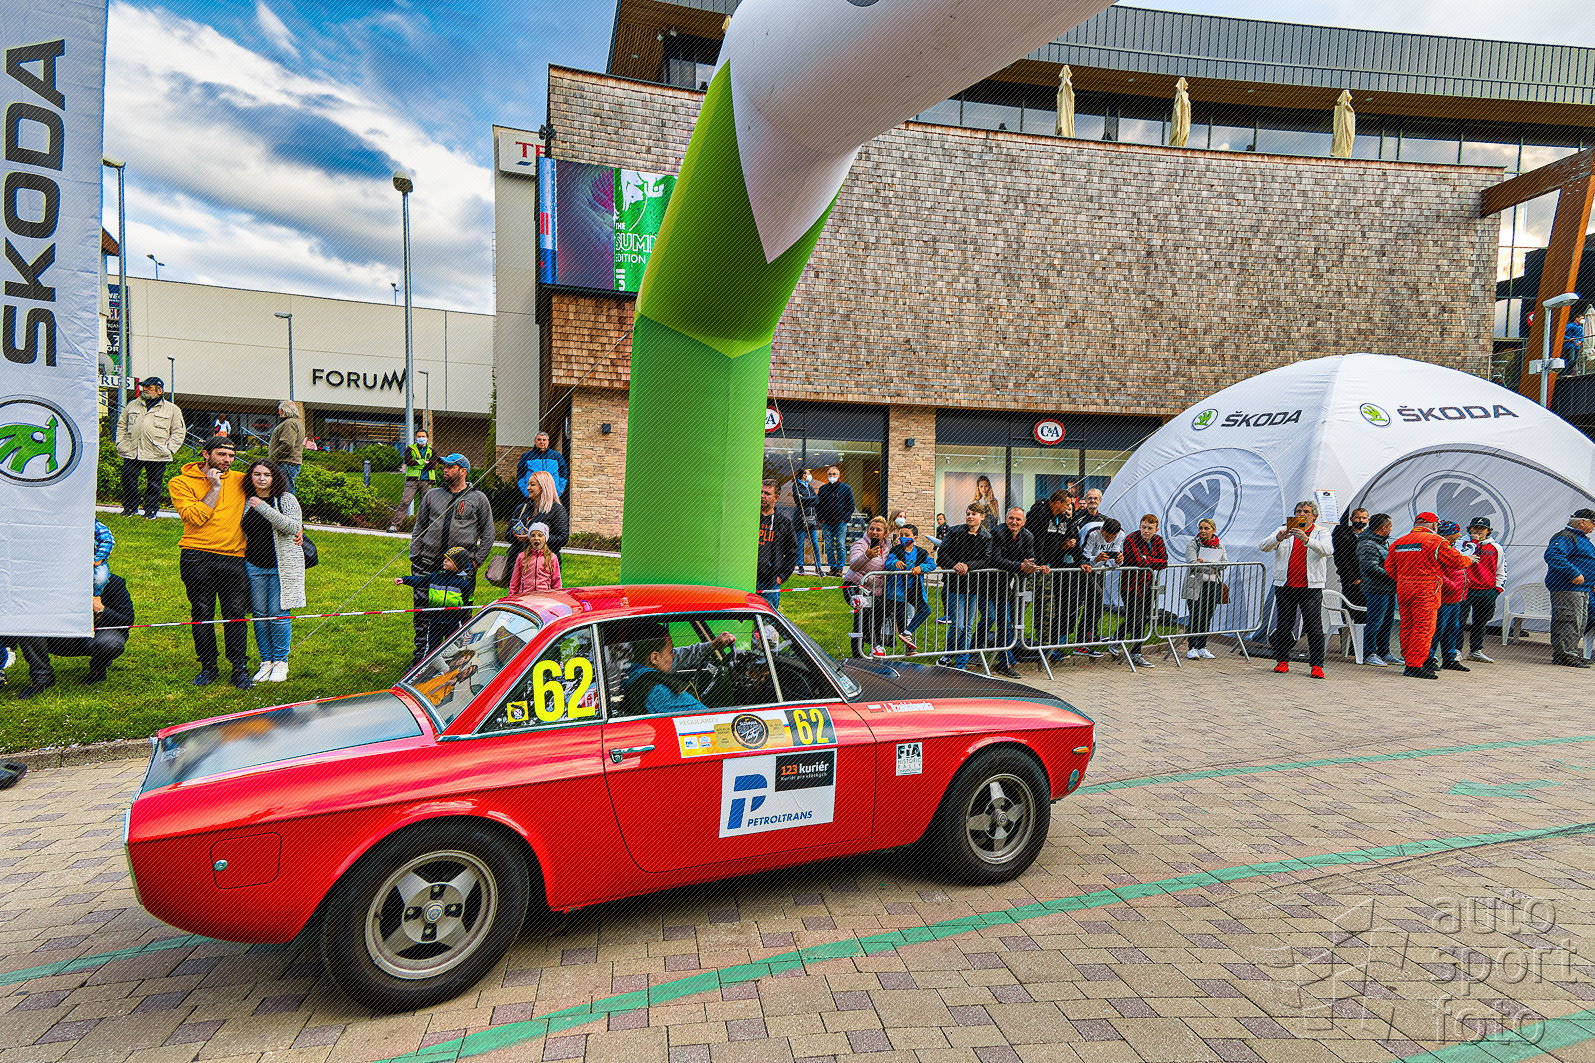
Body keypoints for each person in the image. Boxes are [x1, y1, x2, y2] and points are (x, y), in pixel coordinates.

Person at [169, 435, 254, 689]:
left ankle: (239, 668)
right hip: (196, 555)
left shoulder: (241, 479)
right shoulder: (180, 482)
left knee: (235, 613)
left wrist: (296, 525)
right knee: (202, 612)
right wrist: (214, 487)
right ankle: (208, 666)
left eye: (231, 455)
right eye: (222, 454)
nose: (228, 460)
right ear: (206, 454)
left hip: (234, 556)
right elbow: (195, 517)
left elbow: (273, 487)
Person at [407, 454, 495, 666]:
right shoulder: (432, 495)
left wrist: (476, 561)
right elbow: (419, 527)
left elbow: (489, 533)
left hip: (460, 570)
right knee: (423, 614)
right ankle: (422, 659)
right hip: (428, 564)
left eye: (450, 467)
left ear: (463, 471)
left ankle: (456, 660)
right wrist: (415, 556)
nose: (444, 470)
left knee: (459, 616)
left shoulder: (478, 498)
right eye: (444, 466)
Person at [11, 573, 135, 697]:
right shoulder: (52, 582)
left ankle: (98, 667)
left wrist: (100, 608)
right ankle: (42, 677)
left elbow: (127, 620)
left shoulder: (114, 582)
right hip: (62, 637)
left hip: (96, 637)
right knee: (26, 624)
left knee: (110, 643)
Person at [1385, 511, 1474, 679]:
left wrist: (1404, 579)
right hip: (1426, 590)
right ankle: (1415, 665)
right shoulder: (1436, 541)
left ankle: (1409, 660)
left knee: (1407, 625)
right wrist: (1469, 559)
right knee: (1424, 627)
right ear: (1434, 525)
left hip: (1404, 589)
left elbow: (1389, 567)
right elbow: (1457, 561)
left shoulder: (1399, 541)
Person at [241, 459, 305, 683]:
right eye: (257, 474)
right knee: (260, 615)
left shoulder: (285, 499)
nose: (261, 479)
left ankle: (280, 662)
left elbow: (292, 527)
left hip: (281, 567)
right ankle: (265, 662)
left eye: (267, 475)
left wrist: (263, 507)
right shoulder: (245, 500)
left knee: (278, 615)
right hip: (254, 565)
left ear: (274, 477)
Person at [1260, 500, 1333, 679]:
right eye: (1299, 511)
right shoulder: (1283, 529)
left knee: (1314, 626)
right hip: (1285, 585)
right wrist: (1278, 538)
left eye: (1306, 511)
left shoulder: (1321, 531)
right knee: (1284, 625)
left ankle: (1317, 665)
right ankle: (1282, 660)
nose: (1302, 514)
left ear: (1314, 516)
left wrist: (1307, 539)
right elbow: (1263, 546)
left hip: (1311, 586)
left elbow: (1328, 550)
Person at [619, 622, 737, 715]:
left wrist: (712, 645)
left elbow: (681, 656)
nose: (674, 656)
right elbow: (709, 718)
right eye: (671, 652)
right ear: (654, 658)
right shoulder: (659, 691)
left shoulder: (630, 672)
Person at [115, 376, 184, 519]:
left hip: (157, 453)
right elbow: (122, 424)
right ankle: (130, 508)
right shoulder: (132, 405)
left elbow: (179, 431)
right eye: (144, 387)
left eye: (149, 387)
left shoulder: (172, 409)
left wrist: (170, 449)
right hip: (132, 451)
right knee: (127, 478)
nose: (145, 390)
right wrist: (120, 443)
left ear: (159, 391)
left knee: (154, 483)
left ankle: (150, 511)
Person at [989, 506, 1044, 677]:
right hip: (986, 582)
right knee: (994, 619)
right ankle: (999, 658)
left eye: (1018, 519)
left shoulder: (1027, 536)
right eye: (1011, 518)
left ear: (1024, 522)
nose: (1014, 522)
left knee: (1002, 621)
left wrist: (1033, 566)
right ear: (1006, 519)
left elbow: (1030, 558)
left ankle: (1003, 660)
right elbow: (996, 560)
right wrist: (1020, 565)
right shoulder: (997, 533)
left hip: (1005, 584)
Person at [937, 504, 992, 670]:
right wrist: (955, 565)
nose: (970, 516)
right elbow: (942, 554)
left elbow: (986, 560)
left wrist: (968, 565)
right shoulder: (954, 532)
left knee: (968, 627)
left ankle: (962, 662)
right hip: (955, 585)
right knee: (958, 625)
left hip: (974, 586)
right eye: (968, 513)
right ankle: (947, 655)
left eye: (974, 514)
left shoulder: (986, 537)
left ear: (982, 517)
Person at [397, 546, 479, 658]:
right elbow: (421, 580)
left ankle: (450, 665)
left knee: (453, 647)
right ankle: (428, 665)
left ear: (457, 564)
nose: (444, 561)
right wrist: (405, 580)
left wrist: (463, 618)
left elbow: (467, 603)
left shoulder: (464, 583)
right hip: (435, 620)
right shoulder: (436, 576)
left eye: (449, 560)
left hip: (453, 622)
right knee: (432, 648)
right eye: (445, 558)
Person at [1545, 508, 1595, 669]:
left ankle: (1570, 653)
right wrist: (1573, 573)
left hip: (1582, 588)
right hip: (1567, 587)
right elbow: (1553, 555)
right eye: (1593, 523)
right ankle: (1564, 655)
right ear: (1582, 522)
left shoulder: (1582, 539)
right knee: (1568, 620)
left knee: (1578, 622)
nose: (1594, 527)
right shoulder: (1566, 536)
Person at [1026, 491, 1074, 656]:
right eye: (1067, 504)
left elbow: (1067, 535)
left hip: (1046, 569)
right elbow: (1036, 540)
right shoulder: (1039, 513)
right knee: (1021, 605)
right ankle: (1009, 643)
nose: (1068, 508)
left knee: (1047, 608)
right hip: (1030, 569)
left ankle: (1045, 646)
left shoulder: (1063, 519)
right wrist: (1039, 563)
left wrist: (1070, 543)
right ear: (1057, 503)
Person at [1120, 514, 1168, 668]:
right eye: (1143, 527)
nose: (1146, 531)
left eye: (1150, 528)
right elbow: (1139, 561)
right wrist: (1148, 560)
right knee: (1136, 618)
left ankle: (1118, 639)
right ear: (1140, 526)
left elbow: (1164, 561)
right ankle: (1135, 652)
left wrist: (1148, 559)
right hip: (1131, 584)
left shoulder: (1158, 540)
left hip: (1149, 584)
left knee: (1145, 617)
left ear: (1156, 529)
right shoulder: (1131, 539)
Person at [1073, 516, 1123, 658]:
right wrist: (1096, 559)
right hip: (1084, 569)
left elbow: (1114, 557)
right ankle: (1081, 640)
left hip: (1100, 570)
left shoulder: (1121, 534)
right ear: (1102, 531)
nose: (1108, 540)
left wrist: (1118, 561)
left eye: (1112, 538)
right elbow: (1082, 557)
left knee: (1095, 603)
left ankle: (1088, 635)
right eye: (1106, 537)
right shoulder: (1092, 533)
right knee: (1097, 596)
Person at [505, 470, 570, 577]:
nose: (528, 488)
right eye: (528, 484)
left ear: (543, 487)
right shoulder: (521, 508)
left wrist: (533, 538)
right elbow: (507, 535)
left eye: (532, 485)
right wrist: (515, 534)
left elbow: (562, 538)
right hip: (517, 565)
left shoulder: (557, 510)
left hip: (544, 567)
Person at [884, 524, 936, 652]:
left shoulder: (921, 552)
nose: (903, 537)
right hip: (898, 592)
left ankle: (908, 632)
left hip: (914, 589)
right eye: (901, 535)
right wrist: (895, 563)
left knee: (925, 610)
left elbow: (932, 564)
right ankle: (910, 649)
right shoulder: (896, 550)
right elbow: (888, 563)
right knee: (901, 620)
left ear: (915, 538)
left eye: (907, 535)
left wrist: (921, 568)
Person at [1460, 517, 1506, 663]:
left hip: (1487, 590)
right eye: (1475, 528)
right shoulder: (1461, 544)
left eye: (1482, 528)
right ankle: (1456, 650)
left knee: (1480, 622)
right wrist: (1473, 542)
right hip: (1465, 589)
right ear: (1469, 529)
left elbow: (1501, 569)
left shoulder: (1496, 548)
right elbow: (1460, 560)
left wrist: (1496, 589)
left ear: (1488, 531)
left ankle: (1476, 651)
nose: (1478, 531)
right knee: (1458, 621)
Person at [844, 515, 891, 656]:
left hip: (875, 591)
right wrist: (867, 556)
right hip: (855, 586)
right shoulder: (860, 545)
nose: (874, 532)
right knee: (863, 616)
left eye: (878, 530)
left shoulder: (888, 547)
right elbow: (853, 565)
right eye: (871, 529)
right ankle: (859, 654)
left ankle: (873, 647)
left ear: (885, 533)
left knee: (877, 615)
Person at [1183, 518, 1227, 659]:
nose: (1203, 531)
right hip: (1195, 584)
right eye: (1201, 528)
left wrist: (1205, 561)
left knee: (1207, 615)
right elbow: (1193, 563)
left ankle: (1202, 646)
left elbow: (1224, 564)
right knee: (1195, 615)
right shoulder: (1193, 544)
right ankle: (1192, 647)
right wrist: (1212, 566)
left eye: (1206, 528)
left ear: (1213, 530)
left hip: (1213, 584)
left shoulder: (1219, 545)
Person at [1431, 521, 1471, 673]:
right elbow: (1437, 572)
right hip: (1444, 597)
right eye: (1456, 532)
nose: (1460, 534)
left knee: (1452, 628)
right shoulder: (1440, 548)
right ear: (1449, 534)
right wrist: (1451, 586)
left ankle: (1449, 659)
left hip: (1455, 597)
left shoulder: (1450, 547)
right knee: (1437, 629)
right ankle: (1430, 658)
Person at [1357, 513, 1397, 666]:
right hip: (1376, 590)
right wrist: (1395, 575)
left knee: (1387, 623)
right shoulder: (1368, 544)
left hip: (1388, 589)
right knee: (1375, 623)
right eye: (1390, 527)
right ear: (1383, 528)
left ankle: (1384, 652)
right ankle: (1369, 653)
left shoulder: (1382, 542)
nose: (1391, 530)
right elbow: (1371, 568)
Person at [756, 479, 799, 610]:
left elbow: (792, 552)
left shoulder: (784, 522)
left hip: (770, 580)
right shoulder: (751, 519)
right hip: (748, 578)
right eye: (761, 492)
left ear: (777, 497)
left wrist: (782, 576)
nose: (763, 496)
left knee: (767, 618)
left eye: (767, 494)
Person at [388, 428, 438, 533]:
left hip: (426, 481)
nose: (421, 438)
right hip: (412, 481)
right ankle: (394, 525)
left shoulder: (432, 451)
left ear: (427, 438)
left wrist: (417, 463)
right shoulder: (410, 449)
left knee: (425, 505)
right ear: (416, 438)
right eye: (419, 436)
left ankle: (423, 528)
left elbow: (432, 465)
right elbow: (408, 462)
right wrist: (423, 462)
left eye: (423, 436)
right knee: (405, 502)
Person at [816, 466, 855, 577]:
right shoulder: (823, 489)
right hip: (826, 523)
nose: (832, 476)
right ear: (827, 476)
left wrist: (844, 519)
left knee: (840, 545)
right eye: (830, 474)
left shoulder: (846, 488)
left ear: (838, 475)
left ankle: (840, 568)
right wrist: (821, 519)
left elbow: (851, 505)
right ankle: (832, 567)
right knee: (828, 546)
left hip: (840, 523)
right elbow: (818, 505)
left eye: (834, 474)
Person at [516, 431, 569, 503]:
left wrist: (560, 489)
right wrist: (524, 490)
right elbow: (520, 474)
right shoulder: (526, 456)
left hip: (552, 494)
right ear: (535, 441)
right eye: (539, 439)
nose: (542, 442)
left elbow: (563, 472)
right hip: (533, 494)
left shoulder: (556, 456)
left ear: (548, 442)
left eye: (544, 440)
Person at [509, 522, 562, 594]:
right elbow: (514, 582)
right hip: (525, 596)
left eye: (540, 535)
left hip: (544, 597)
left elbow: (557, 582)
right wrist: (511, 596)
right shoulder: (522, 557)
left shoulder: (552, 557)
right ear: (529, 538)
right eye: (533, 535)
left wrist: (557, 597)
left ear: (545, 538)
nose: (536, 538)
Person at [1332, 508, 1369, 607]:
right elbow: (1341, 558)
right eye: (1358, 517)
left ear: (1368, 520)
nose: (1361, 520)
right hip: (1352, 580)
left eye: (1364, 518)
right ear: (1351, 519)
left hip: (1368, 580)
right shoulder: (1344, 535)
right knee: (1351, 606)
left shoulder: (1369, 535)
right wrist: (1353, 579)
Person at [266, 401, 305, 492]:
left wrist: (273, 457)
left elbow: (288, 444)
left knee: (285, 492)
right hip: (289, 462)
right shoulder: (297, 423)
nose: (278, 412)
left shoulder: (289, 423)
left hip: (285, 462)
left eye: (279, 409)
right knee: (284, 491)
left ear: (283, 411)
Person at [793, 469, 822, 575]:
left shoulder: (809, 487)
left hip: (811, 518)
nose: (810, 475)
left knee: (815, 543)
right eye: (809, 473)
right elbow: (798, 500)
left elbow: (817, 500)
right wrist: (810, 499)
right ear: (804, 475)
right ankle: (800, 567)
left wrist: (805, 498)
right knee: (800, 544)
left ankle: (818, 567)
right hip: (800, 518)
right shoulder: (796, 486)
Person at [93, 520, 114, 594]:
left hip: (94, 560)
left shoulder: (96, 526)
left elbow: (107, 541)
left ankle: (95, 595)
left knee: (100, 577)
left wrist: (98, 559)